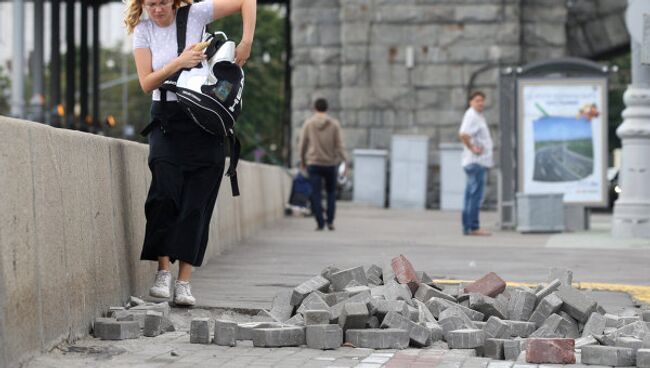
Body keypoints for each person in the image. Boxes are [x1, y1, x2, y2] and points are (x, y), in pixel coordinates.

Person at [125, 0, 256, 305]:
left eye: (162, 3)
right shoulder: (143, 31)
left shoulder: (196, 14)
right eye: (150, 4)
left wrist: (246, 42)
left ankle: (184, 282)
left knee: (196, 204)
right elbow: (146, 83)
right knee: (164, 195)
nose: (157, 10)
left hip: (204, 121)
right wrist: (178, 62)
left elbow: (246, 2)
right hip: (166, 119)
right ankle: (162, 271)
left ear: (173, 2)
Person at [298, 98, 347, 231]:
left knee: (316, 193)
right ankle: (330, 221)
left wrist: (302, 161)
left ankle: (320, 222)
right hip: (330, 164)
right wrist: (345, 161)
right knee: (331, 193)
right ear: (327, 109)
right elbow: (340, 145)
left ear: (315, 108)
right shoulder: (334, 124)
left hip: (314, 163)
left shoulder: (309, 124)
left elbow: (302, 145)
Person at [459, 91, 493, 236]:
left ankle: (467, 227)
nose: (481, 103)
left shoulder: (476, 116)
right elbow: (464, 134)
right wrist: (472, 147)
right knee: (475, 196)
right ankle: (473, 227)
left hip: (475, 162)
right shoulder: (472, 115)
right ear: (471, 102)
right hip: (476, 162)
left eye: (482, 100)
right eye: (477, 100)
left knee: (470, 195)